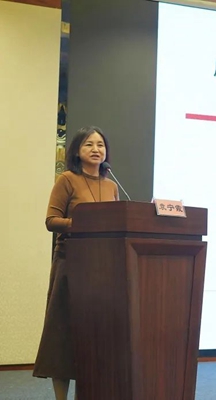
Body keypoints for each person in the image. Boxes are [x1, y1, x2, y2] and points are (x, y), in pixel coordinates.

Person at [33, 126, 119, 400]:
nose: (96, 149)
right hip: (70, 264)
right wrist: (84, 222)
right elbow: (51, 221)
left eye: (100, 145)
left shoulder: (111, 185)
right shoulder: (67, 180)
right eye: (89, 144)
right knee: (63, 334)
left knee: (94, 336)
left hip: (102, 267)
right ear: (77, 151)